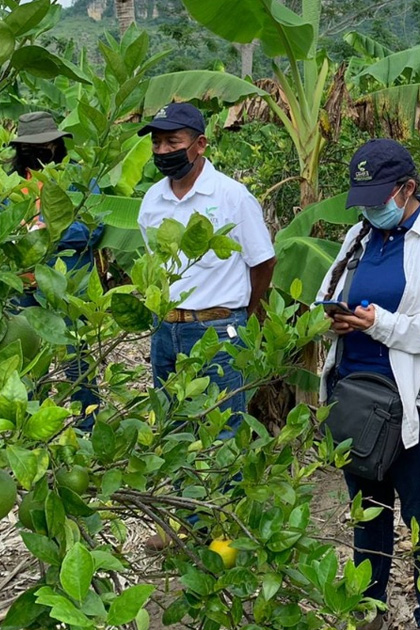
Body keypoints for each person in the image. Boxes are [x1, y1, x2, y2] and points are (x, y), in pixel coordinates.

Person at [317, 138, 420, 630]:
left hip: (415, 404)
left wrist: (383, 325)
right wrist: (332, 319)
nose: (370, 210)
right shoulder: (358, 237)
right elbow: (328, 294)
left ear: (407, 188)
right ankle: (369, 611)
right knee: (368, 513)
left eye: (377, 198)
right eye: (362, 201)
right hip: (356, 395)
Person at [136, 103, 276, 549]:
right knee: (174, 425)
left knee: (222, 426)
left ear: (200, 145)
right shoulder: (152, 201)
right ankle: (183, 522)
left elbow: (263, 261)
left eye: (172, 141)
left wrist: (246, 312)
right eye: (157, 142)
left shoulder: (232, 197)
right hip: (167, 328)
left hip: (217, 328)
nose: (163, 150)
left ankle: (222, 530)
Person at [7, 111, 105, 431]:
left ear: (58, 145)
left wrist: (48, 231)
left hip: (66, 284)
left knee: (74, 357)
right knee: (29, 358)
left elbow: (94, 227)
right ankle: (35, 424)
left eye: (47, 145)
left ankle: (87, 421)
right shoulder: (10, 186)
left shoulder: (77, 180)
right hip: (23, 288)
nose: (42, 152)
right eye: (34, 146)